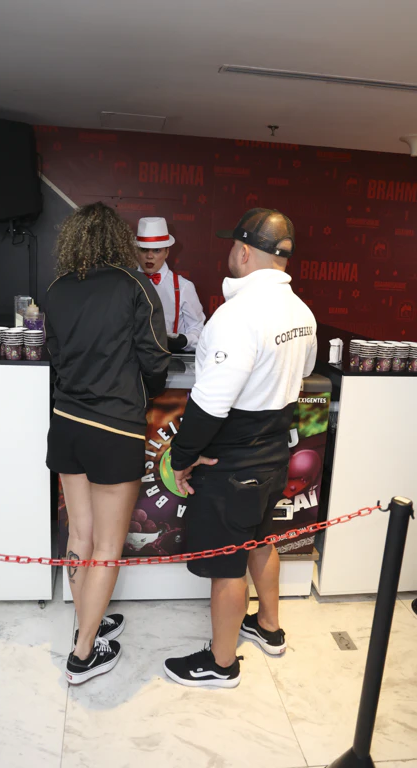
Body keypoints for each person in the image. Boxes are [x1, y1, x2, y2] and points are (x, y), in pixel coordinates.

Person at [163, 208, 317, 688]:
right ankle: (268, 627)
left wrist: (182, 457)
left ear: (245, 252)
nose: (230, 252)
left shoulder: (237, 316)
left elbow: (210, 403)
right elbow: (303, 373)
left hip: (233, 460)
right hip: (274, 453)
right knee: (262, 539)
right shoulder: (302, 311)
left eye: (234, 245)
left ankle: (221, 663)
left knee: (228, 563)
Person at [44, 202, 170, 685]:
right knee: (108, 547)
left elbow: (56, 354)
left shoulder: (57, 288)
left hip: (66, 423)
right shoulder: (134, 285)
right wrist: (144, 390)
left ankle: (87, 623)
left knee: (80, 536)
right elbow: (156, 359)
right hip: (114, 428)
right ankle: (83, 655)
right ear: (119, 240)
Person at [136, 217, 205, 353]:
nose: (149, 256)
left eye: (156, 250)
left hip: (168, 361)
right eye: (144, 249)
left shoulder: (183, 287)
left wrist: (183, 341)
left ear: (167, 252)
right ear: (136, 251)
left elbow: (198, 330)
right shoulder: (125, 283)